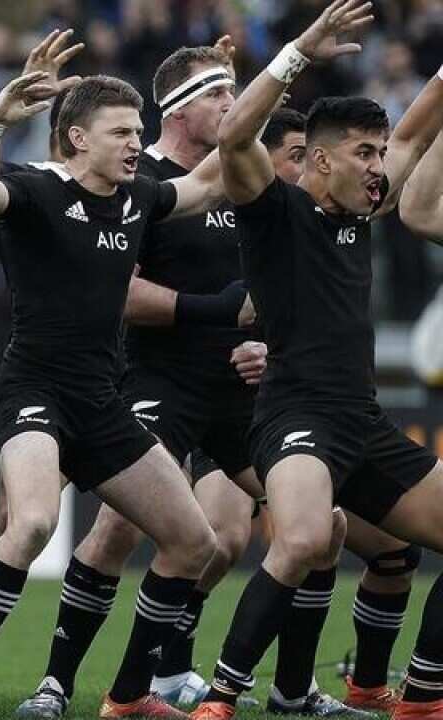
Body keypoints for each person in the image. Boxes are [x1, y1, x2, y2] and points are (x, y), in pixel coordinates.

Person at [0, 40, 236, 715]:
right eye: (122, 133)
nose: (136, 144)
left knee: (195, 543)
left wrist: (246, 88)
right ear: (78, 139)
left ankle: (128, 697)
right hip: (33, 391)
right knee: (33, 523)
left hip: (101, 403)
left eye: (138, 130)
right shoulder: (35, 188)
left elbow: (212, 179)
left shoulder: (138, 198)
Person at [191, 2, 443, 719]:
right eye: (365, 154)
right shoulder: (273, 210)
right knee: (303, 538)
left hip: (361, 421)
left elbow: (417, 129)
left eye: (380, 153)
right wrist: (300, 50)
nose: (380, 167)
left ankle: (422, 696)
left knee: (395, 549)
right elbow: (235, 135)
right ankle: (220, 698)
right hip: (294, 416)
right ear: (321, 160)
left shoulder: (361, 209)